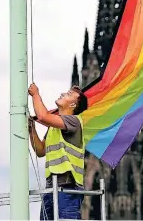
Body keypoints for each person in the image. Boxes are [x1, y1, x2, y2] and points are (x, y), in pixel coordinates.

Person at [28, 83, 88, 220]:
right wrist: (32, 129)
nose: (63, 94)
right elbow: (40, 150)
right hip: (51, 187)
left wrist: (36, 94)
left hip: (68, 188)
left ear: (73, 105)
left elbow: (42, 116)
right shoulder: (54, 127)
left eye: (68, 94)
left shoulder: (74, 122)